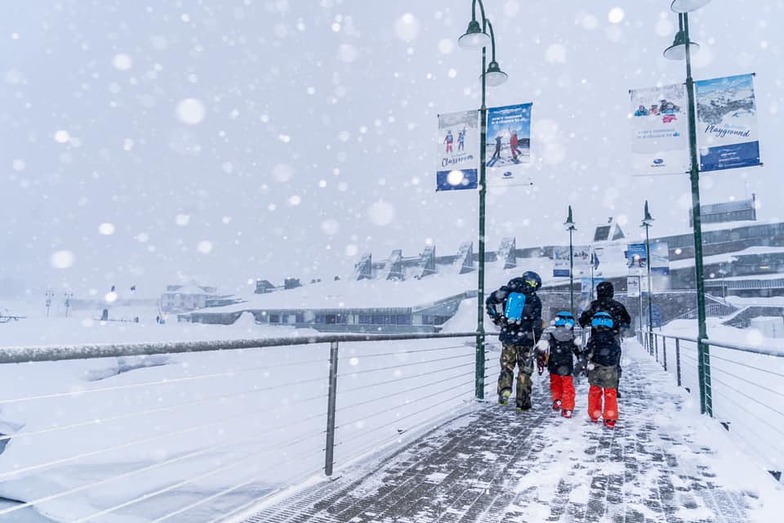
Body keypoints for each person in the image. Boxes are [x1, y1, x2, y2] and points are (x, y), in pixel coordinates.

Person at [485, 271, 544, 411]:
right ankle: (522, 402)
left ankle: (504, 391)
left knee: (506, 367)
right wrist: (535, 339)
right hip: (527, 339)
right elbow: (537, 323)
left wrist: (497, 319)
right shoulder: (535, 299)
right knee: (525, 371)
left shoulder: (507, 291)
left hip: (508, 337)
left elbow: (489, 302)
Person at [534, 311, 582, 418]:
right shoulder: (573, 338)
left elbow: (541, 347)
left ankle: (557, 400)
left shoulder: (551, 336)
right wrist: (582, 362)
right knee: (568, 387)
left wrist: (537, 354)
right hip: (567, 366)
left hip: (553, 364)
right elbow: (579, 353)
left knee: (555, 384)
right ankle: (567, 408)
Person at [584, 312, 622, 428]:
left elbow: (588, 353)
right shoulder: (614, 337)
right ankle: (610, 418)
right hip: (610, 369)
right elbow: (618, 352)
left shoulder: (593, 338)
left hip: (595, 367)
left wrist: (585, 363)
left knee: (594, 391)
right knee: (610, 393)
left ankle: (594, 414)